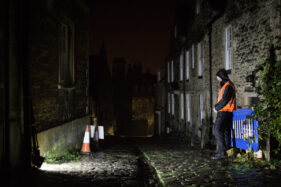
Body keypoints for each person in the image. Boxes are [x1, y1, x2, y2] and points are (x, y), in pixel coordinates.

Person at [212, 69, 236, 160]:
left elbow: (225, 99)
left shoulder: (228, 86)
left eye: (218, 77)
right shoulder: (226, 85)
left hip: (224, 112)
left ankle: (222, 152)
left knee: (217, 130)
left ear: (221, 76)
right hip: (227, 112)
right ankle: (226, 151)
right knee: (225, 131)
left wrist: (216, 107)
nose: (217, 79)